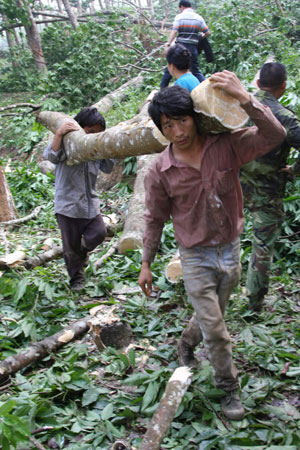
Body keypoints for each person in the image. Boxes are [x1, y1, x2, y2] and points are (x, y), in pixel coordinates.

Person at [138, 71, 286, 420]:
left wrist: (246, 99)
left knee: (213, 316)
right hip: (194, 256)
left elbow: (275, 134)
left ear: (195, 117)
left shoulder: (227, 146)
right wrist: (146, 262)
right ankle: (229, 389)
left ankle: (186, 342)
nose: (178, 131)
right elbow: (154, 219)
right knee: (217, 331)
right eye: (168, 125)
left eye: (183, 121)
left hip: (230, 249)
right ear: (160, 128)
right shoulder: (160, 170)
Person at [240, 62, 300, 312]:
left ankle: (211, 292)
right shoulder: (286, 117)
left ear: (257, 83)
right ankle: (254, 304)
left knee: (222, 238)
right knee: (262, 246)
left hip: (234, 187)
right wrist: (294, 171)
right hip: (269, 192)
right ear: (283, 86)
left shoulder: (237, 109)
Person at [43, 107, 114, 292]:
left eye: (97, 133)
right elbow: (51, 156)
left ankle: (81, 252)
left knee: (98, 233)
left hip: (90, 203)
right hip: (68, 205)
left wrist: (106, 144)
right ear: (80, 128)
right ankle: (77, 280)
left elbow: (108, 167)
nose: (92, 136)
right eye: (90, 132)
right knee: (70, 245)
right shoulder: (68, 142)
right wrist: (59, 134)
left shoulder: (95, 147)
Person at [160, 0, 209, 89]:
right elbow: (207, 32)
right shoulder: (199, 18)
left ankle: (162, 90)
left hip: (180, 47)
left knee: (170, 68)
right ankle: (206, 88)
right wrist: (200, 37)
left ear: (182, 7)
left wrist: (168, 44)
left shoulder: (180, 17)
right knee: (195, 70)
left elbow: (174, 31)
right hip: (193, 48)